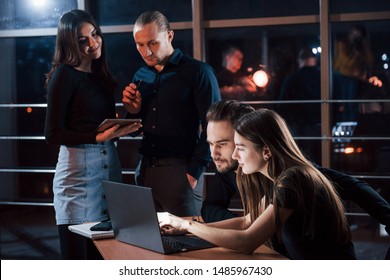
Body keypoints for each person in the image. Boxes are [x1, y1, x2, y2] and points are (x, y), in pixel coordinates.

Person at [160, 108, 356, 259]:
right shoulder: (284, 177)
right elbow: (247, 221)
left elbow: (247, 242)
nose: (235, 155)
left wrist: (187, 225)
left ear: (267, 151)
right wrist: (188, 228)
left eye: (241, 148)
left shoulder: (292, 180)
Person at [201, 100, 390, 240]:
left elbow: (354, 187)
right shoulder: (231, 170)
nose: (214, 153)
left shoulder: (292, 176)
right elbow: (213, 210)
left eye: (223, 143)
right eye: (210, 144)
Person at [44, 9, 141, 259]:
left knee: (106, 255)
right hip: (77, 173)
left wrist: (130, 115)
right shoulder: (63, 75)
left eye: (95, 34)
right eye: (82, 40)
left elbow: (108, 133)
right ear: (70, 44)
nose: (93, 43)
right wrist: (94, 138)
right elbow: (52, 133)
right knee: (78, 257)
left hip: (109, 167)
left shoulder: (102, 75)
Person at [122, 11, 220, 217]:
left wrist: (194, 172)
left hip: (181, 170)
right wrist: (132, 112)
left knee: (189, 245)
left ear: (169, 36)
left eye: (153, 43)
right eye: (140, 45)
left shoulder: (199, 72)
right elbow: (131, 131)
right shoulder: (141, 76)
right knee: (147, 245)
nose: (146, 51)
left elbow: (215, 126)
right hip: (144, 170)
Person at [278, 47, 321, 163]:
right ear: (315, 60)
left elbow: (283, 106)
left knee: (302, 160)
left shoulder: (292, 79)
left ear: (300, 60)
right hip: (321, 127)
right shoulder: (325, 78)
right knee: (321, 159)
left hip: (299, 128)